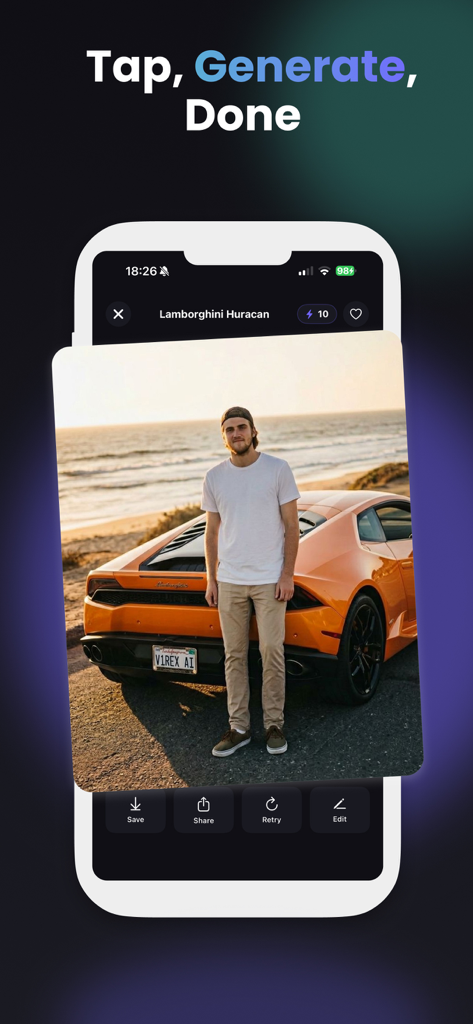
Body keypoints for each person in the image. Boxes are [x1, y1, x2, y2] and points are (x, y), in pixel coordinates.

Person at [201, 406, 300, 757]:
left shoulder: (277, 469)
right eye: (229, 429)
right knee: (234, 655)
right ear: (223, 436)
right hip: (229, 580)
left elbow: (292, 526)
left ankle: (274, 724)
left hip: (269, 579)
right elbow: (211, 533)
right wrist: (211, 579)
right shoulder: (214, 477)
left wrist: (287, 573)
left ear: (253, 431)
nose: (236, 434)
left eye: (241, 427)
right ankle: (239, 727)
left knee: (271, 651)